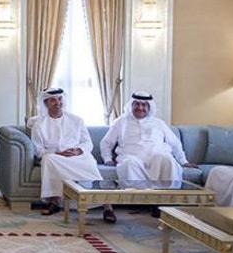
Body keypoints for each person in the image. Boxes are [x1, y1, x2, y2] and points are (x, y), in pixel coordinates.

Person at [100, 91, 197, 217]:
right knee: (128, 164)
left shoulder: (159, 123)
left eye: (144, 105)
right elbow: (106, 142)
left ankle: (160, 201)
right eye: (137, 104)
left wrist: (183, 161)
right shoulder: (120, 122)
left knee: (166, 160)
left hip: (157, 158)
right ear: (131, 105)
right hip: (132, 158)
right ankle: (148, 201)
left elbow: (175, 144)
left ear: (149, 107)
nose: (140, 108)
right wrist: (107, 159)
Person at [29, 88, 109, 220]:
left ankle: (107, 204)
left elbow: (87, 143)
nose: (58, 103)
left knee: (89, 160)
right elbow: (38, 149)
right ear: (46, 103)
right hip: (56, 156)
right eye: (53, 100)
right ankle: (54, 200)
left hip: (77, 156)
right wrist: (57, 153)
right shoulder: (39, 124)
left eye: (60, 99)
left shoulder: (77, 120)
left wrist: (78, 150)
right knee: (48, 159)